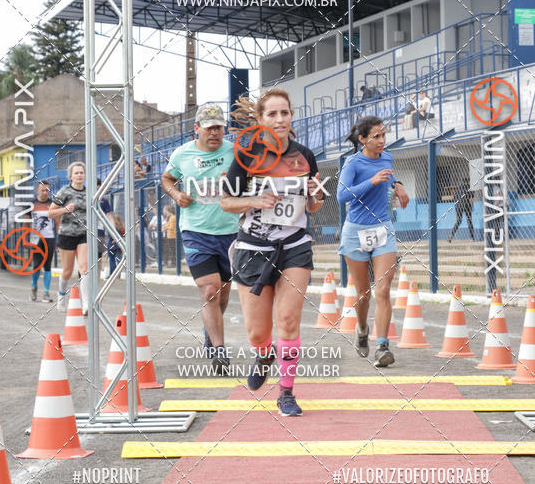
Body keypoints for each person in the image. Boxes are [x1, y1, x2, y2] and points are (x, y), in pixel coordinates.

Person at [221, 89, 324, 415]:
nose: (280, 119)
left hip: (294, 247)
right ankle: (264, 353)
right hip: (253, 247)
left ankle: (286, 392)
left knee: (288, 320)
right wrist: (254, 200)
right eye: (273, 114)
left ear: (291, 116)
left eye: (285, 113)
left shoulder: (305, 156)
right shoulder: (246, 157)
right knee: (258, 331)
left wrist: (314, 194)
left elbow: (315, 206)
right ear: (261, 119)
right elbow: (226, 203)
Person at [161, 103, 239, 373]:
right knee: (210, 291)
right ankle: (219, 352)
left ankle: (210, 330)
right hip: (196, 231)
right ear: (196, 129)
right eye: (209, 128)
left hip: (230, 231)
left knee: (224, 291)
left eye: (219, 127)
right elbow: (167, 178)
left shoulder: (235, 151)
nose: (215, 133)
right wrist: (176, 195)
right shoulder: (182, 154)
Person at [337, 117, 409, 367]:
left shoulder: (387, 157)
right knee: (363, 294)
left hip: (383, 230)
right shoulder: (353, 163)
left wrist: (398, 185)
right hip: (355, 231)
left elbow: (389, 176)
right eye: (376, 136)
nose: (382, 141)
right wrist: (372, 182)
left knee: (384, 290)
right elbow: (341, 195)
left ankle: (382, 347)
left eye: (383, 135)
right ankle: (362, 329)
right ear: (362, 139)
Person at [49, 161, 89, 313]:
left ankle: (85, 304)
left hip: (83, 233)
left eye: (81, 172)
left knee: (84, 268)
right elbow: (50, 212)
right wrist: (64, 209)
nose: (79, 175)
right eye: (76, 173)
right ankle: (61, 295)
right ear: (71, 176)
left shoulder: (89, 191)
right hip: (66, 234)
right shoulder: (64, 192)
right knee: (67, 270)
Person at [30, 179, 57, 302]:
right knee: (36, 265)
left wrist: (58, 240)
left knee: (47, 266)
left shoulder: (53, 204)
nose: (45, 193)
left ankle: (46, 293)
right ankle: (34, 288)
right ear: (37, 190)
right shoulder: (31, 204)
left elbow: (58, 222)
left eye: (47, 190)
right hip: (35, 238)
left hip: (49, 238)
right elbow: (25, 223)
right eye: (43, 190)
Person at [448, 177, 475, 243]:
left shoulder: (458, 188)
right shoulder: (470, 188)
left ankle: (451, 235)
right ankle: (472, 237)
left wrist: (457, 206)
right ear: (469, 182)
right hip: (466, 205)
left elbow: (454, 198)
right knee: (469, 220)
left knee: (458, 221)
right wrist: (472, 206)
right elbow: (471, 199)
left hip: (458, 206)